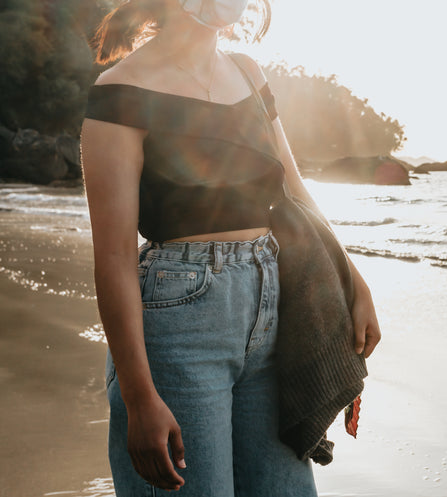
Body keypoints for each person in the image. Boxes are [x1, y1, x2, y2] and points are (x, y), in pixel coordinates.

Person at [80, 0, 382, 495]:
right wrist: (138, 398)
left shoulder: (247, 71)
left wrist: (353, 280)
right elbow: (113, 259)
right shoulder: (121, 90)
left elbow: (296, 192)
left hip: (273, 306)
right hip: (178, 322)